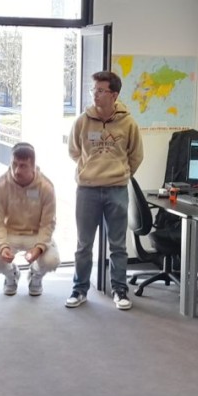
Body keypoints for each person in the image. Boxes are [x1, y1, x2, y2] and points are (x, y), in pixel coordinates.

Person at [66, 70, 143, 310]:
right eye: (94, 90)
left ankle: (120, 290)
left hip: (116, 190)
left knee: (118, 246)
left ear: (114, 95)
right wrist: (89, 169)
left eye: (101, 90)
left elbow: (136, 156)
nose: (95, 95)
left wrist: (119, 172)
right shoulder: (82, 121)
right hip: (87, 190)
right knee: (84, 245)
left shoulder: (128, 123)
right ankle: (79, 290)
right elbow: (74, 151)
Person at [0, 142, 59, 296]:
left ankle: (35, 275)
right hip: (10, 233)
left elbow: (48, 224)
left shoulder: (46, 187)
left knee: (52, 260)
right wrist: (3, 247)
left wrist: (39, 248)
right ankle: (11, 275)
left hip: (35, 234)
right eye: (14, 164)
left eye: (23, 166)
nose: (17, 170)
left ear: (33, 166)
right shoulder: (0, 186)